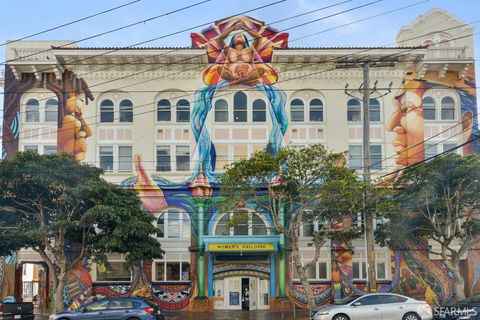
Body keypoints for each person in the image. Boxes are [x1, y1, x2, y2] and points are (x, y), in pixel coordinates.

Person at [212, 20, 272, 86]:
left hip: (249, 74)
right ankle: (243, 81)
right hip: (233, 75)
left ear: (245, 40)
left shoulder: (250, 49)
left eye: (242, 35)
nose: (239, 34)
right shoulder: (228, 50)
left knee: (261, 70)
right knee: (219, 69)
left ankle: (241, 81)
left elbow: (258, 38)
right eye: (236, 35)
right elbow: (220, 39)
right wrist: (233, 27)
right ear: (233, 40)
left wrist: (244, 28)